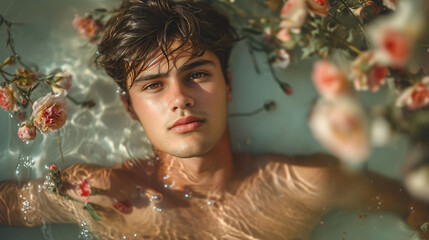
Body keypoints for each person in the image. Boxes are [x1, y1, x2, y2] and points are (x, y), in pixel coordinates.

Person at [1, 0, 429, 239]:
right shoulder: (97, 194)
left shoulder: (302, 185)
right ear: (130, 108)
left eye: (196, 75)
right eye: (153, 85)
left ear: (228, 86)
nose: (181, 99)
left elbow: (414, 208)